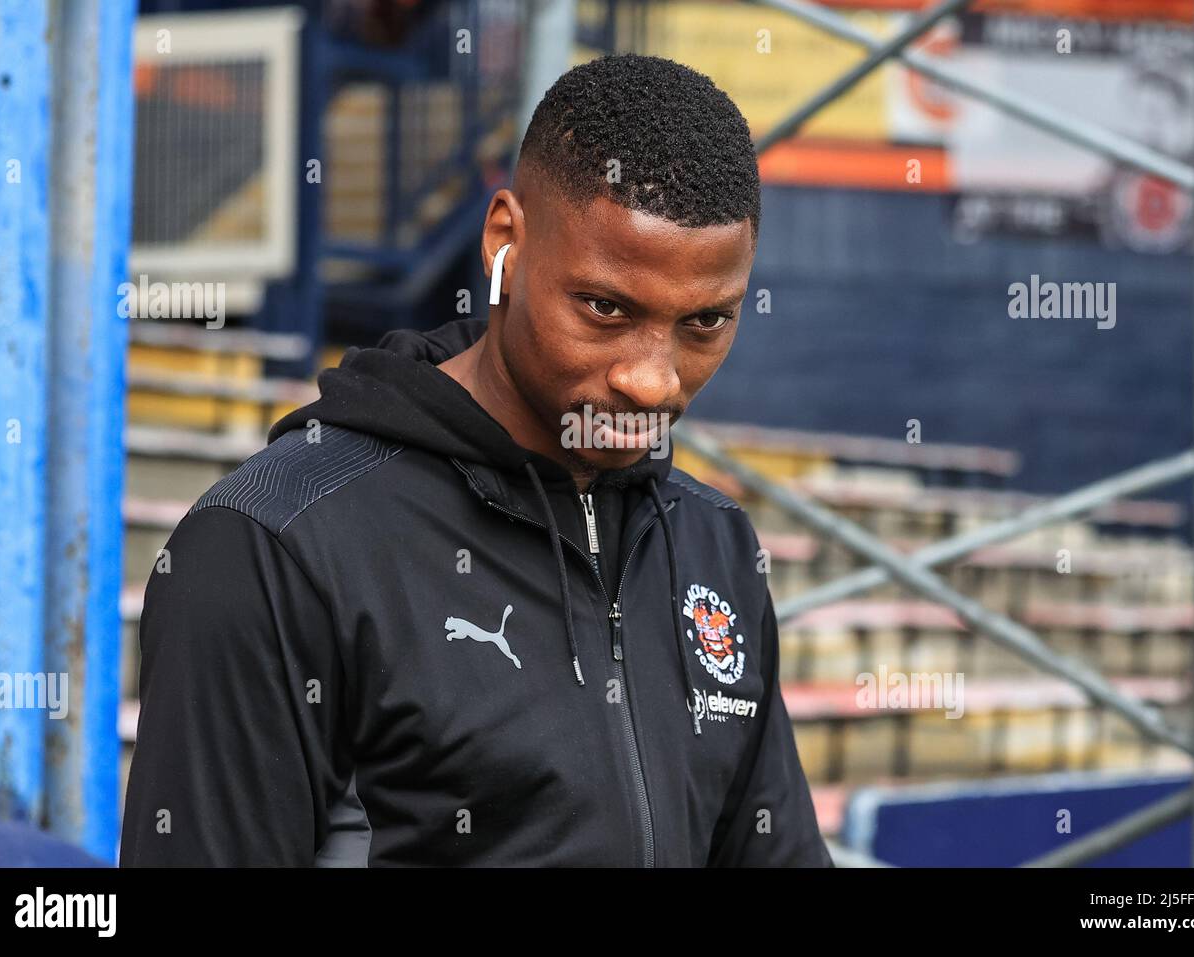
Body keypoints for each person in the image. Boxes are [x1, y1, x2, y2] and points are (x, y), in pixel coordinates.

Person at [120, 52, 832, 867]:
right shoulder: (274, 544)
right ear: (506, 244)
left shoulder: (716, 547)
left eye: (704, 323)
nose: (652, 380)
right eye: (604, 308)